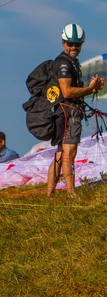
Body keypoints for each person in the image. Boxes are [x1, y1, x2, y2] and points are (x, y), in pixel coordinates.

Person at [47, 24, 103, 197]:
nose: (73, 47)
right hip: (68, 113)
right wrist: (89, 89)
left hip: (68, 111)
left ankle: (50, 195)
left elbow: (73, 91)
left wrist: (91, 88)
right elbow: (67, 92)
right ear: (63, 42)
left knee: (61, 153)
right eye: (70, 43)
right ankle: (72, 194)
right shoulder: (64, 63)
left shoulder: (73, 62)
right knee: (68, 153)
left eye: (77, 44)